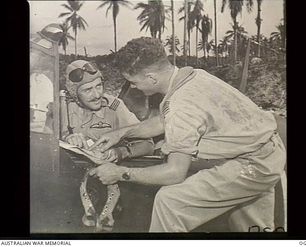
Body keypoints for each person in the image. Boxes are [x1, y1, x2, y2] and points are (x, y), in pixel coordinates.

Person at [88, 37, 286, 232]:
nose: (133, 87)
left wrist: (120, 173)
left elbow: (174, 173)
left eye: (132, 81)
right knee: (251, 227)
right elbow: (163, 121)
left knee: (170, 202)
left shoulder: (181, 106)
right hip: (266, 151)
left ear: (151, 78)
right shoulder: (193, 77)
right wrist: (120, 134)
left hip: (253, 165)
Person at [61, 59, 154, 230]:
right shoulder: (65, 107)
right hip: (74, 181)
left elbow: (148, 144)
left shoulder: (115, 106)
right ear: (75, 94)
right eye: (88, 90)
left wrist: (121, 152)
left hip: (114, 178)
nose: (96, 94)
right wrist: (69, 138)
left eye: (99, 86)